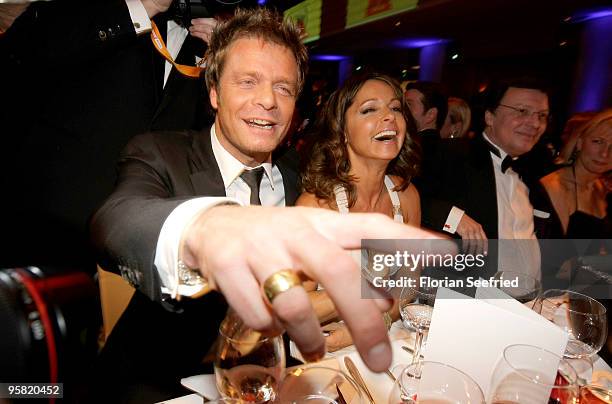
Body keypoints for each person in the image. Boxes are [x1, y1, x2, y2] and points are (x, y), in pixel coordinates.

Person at [89, 9, 444, 402]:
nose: (267, 101)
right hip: (161, 383)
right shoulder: (161, 153)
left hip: (276, 379)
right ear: (214, 92)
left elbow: (373, 177)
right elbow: (114, 221)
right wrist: (203, 228)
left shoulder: (302, 179)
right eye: (248, 82)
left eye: (284, 88)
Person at [0, 0, 217, 268]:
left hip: (135, 254)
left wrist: (230, 57)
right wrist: (137, 8)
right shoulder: (91, 11)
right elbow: (18, 57)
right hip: (39, 236)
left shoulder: (206, 41)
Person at [298, 72, 421, 352]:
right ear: (342, 131)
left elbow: (408, 287)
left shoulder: (407, 197)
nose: (389, 117)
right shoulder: (317, 207)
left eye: (395, 108)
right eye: (370, 109)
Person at [417, 77, 557, 277]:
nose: (535, 123)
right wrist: (453, 217)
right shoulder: (450, 155)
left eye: (542, 115)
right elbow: (404, 196)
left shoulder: (536, 172)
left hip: (530, 301)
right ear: (490, 116)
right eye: (522, 111)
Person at [540, 109, 612, 238]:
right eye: (598, 141)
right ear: (579, 143)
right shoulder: (556, 186)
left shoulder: (603, 188)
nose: (605, 153)